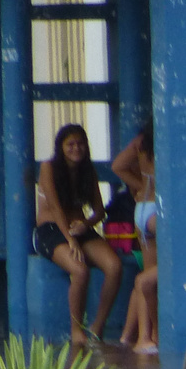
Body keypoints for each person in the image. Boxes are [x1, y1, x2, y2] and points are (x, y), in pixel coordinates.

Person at [34, 124, 123, 347]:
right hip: (51, 230)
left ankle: (97, 327)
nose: (76, 149)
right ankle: (77, 330)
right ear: (61, 147)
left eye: (80, 144)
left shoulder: (88, 171)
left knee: (114, 266)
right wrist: (71, 239)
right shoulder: (49, 167)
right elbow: (55, 208)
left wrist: (86, 224)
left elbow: (100, 211)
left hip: (78, 229)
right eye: (70, 144)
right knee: (80, 270)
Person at [112, 122, 158, 355]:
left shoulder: (141, 142)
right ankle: (151, 336)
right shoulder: (169, 139)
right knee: (154, 278)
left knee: (145, 278)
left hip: (141, 209)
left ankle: (140, 337)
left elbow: (118, 166)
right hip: (158, 212)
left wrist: (141, 185)